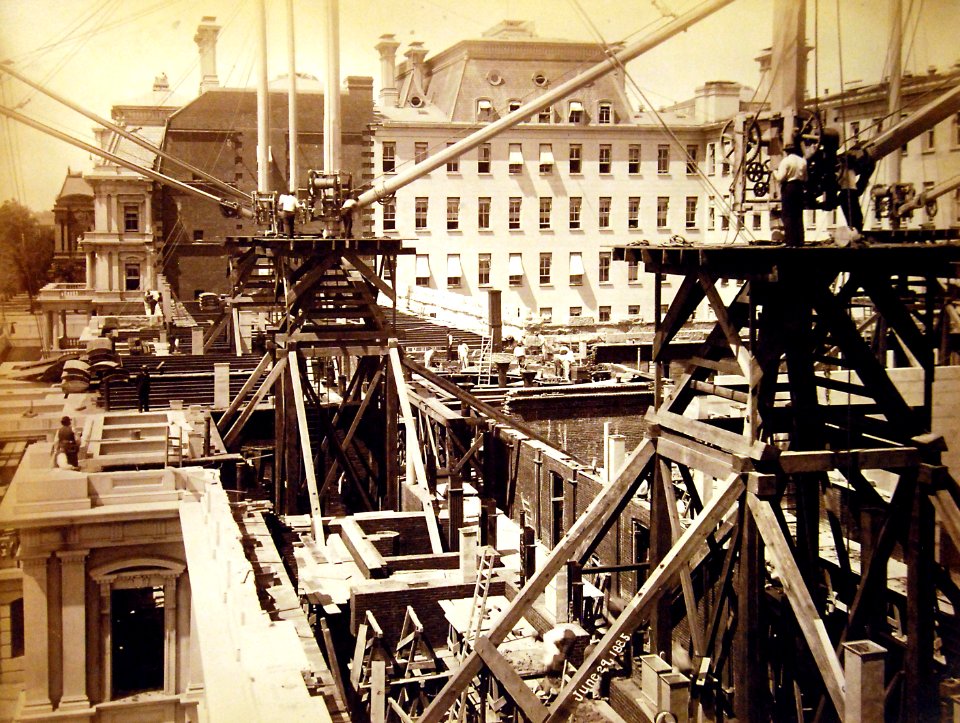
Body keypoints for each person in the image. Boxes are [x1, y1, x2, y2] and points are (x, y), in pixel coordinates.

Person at [773, 143, 807, 247]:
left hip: (789, 188)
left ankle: (790, 242)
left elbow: (780, 178)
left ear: (786, 151)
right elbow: (806, 178)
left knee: (788, 215)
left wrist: (774, 172)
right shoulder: (803, 161)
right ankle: (800, 241)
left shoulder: (786, 161)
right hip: (799, 188)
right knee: (798, 214)